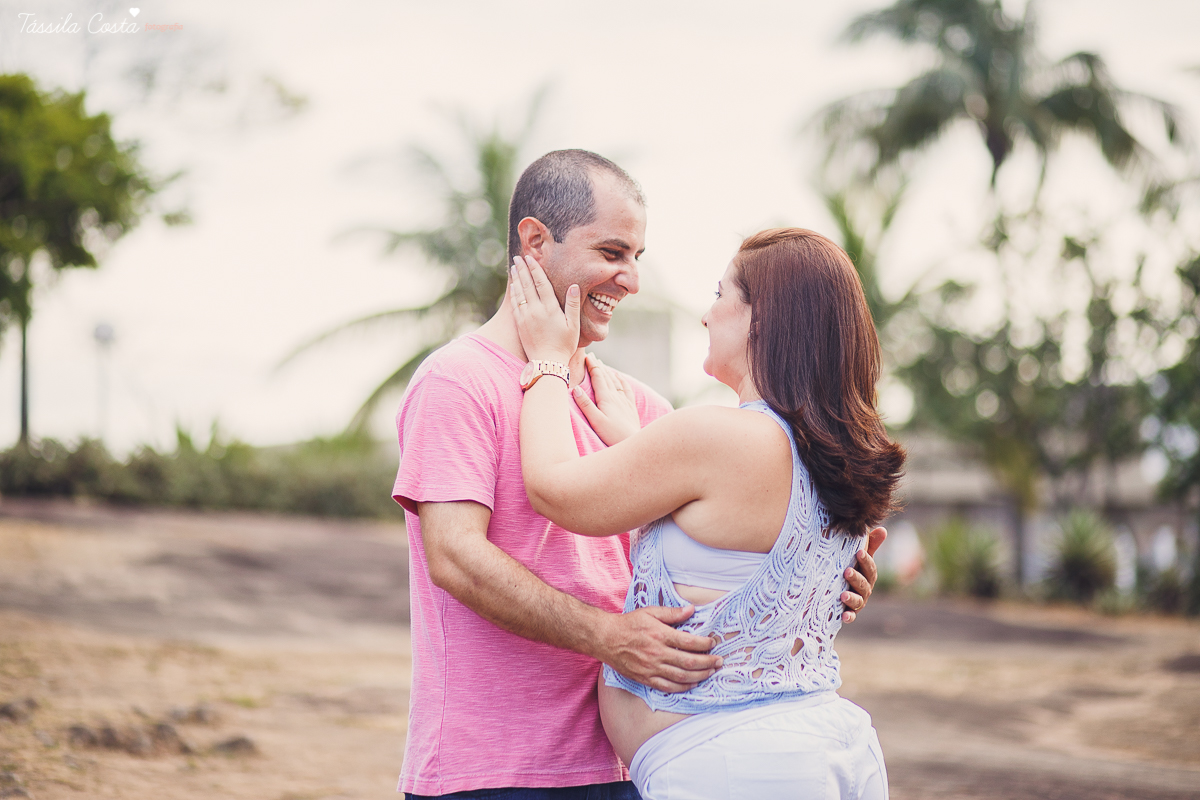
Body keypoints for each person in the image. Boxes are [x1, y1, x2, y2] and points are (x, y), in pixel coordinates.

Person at [391, 151, 883, 799]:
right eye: (612, 252)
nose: (631, 280)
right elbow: (454, 557)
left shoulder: (638, 406)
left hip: (637, 767)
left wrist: (818, 578)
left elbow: (711, 550)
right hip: (495, 768)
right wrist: (607, 638)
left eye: (637, 257)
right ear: (535, 242)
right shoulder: (459, 381)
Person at [509, 226, 904, 799]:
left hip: (739, 767)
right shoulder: (834, 452)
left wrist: (547, 360)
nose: (705, 315)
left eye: (721, 295)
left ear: (763, 320)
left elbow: (553, 489)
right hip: (818, 749)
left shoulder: (719, 436)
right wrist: (637, 446)